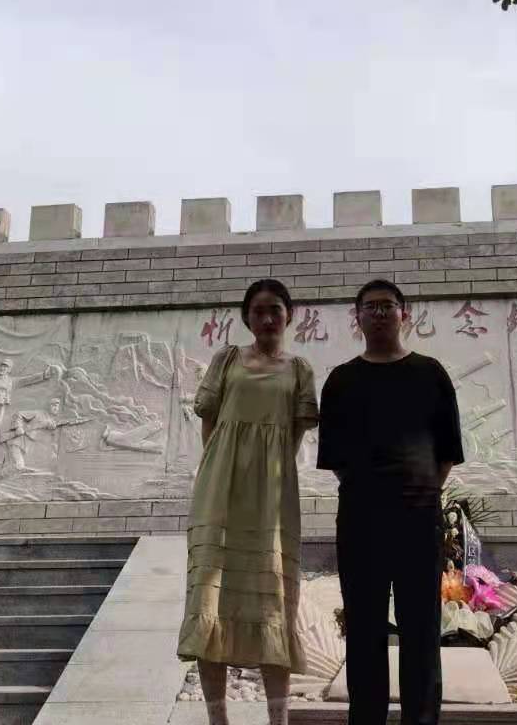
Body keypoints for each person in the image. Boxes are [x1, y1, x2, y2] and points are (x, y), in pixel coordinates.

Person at [317, 279, 465, 725]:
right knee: (364, 631)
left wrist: (420, 493)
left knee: (421, 631)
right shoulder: (341, 380)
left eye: (387, 305)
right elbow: (337, 459)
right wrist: (373, 493)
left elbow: (446, 452)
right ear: (357, 317)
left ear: (405, 314)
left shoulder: (430, 374)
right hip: (360, 523)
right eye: (370, 306)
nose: (379, 313)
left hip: (419, 521)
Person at [177, 278, 319, 725]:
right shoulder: (227, 359)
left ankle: (278, 720)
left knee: (273, 600)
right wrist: (220, 466)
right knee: (210, 598)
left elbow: (295, 433)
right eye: (258, 310)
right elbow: (210, 421)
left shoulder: (300, 369)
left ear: (289, 315)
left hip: (272, 493)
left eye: (276, 309)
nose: (268, 318)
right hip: (220, 486)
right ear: (246, 317)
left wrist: (266, 468)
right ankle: (218, 719)